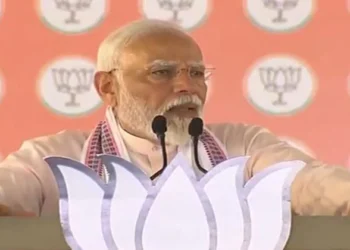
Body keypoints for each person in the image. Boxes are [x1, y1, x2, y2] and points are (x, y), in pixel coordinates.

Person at [0, 19, 350, 217]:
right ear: (108, 86)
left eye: (196, 73)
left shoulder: (243, 146)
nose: (187, 87)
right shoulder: (53, 157)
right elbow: (10, 188)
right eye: (162, 73)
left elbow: (310, 183)